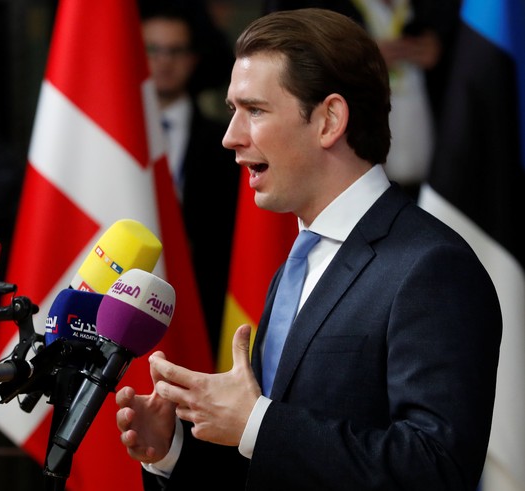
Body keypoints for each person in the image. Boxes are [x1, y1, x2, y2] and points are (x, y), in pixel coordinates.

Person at [115, 8, 501, 490]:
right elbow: (276, 463)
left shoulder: (432, 268)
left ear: (329, 120)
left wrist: (256, 422)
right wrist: (172, 449)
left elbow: (435, 469)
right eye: (234, 109)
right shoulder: (297, 265)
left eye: (254, 110)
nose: (230, 137)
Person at [261, 0, 461, 199]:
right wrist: (355, 58)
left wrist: (443, 52)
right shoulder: (318, 9)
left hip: (439, 183)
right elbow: (284, 65)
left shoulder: (437, 10)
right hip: (353, 183)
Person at [140, 1, 239, 357]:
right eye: (153, 49)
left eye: (175, 51)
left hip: (206, 312)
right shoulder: (110, 144)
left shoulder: (229, 143)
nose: (164, 61)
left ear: (192, 58)